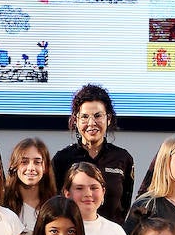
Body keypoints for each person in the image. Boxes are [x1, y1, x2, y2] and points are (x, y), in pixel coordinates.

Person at [52, 84, 134, 225]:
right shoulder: (62, 159)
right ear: (76, 120)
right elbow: (55, 204)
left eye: (98, 116)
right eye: (84, 117)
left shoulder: (123, 158)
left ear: (108, 119)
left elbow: (124, 205)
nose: (91, 123)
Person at [3, 137, 56, 235]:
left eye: (37, 162)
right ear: (15, 166)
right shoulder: (2, 204)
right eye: (24, 162)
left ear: (45, 167)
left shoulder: (55, 207)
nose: (31, 168)